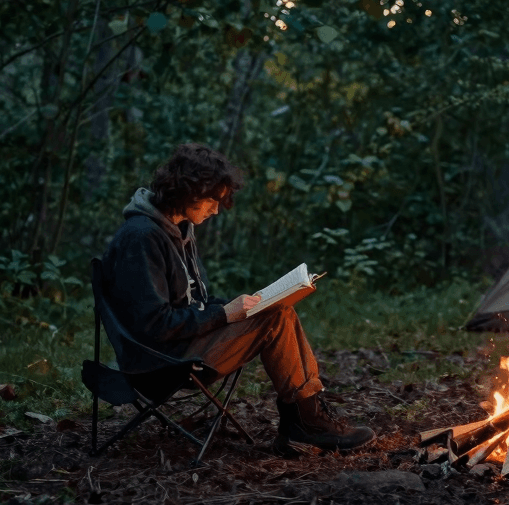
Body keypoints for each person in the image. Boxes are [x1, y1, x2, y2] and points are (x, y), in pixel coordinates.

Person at [100, 143, 375, 453]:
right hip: (159, 364)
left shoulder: (178, 228)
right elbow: (153, 325)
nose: (216, 210)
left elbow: (193, 301)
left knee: (276, 308)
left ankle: (305, 419)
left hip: (179, 346)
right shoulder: (142, 237)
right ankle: (305, 422)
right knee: (277, 317)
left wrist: (240, 306)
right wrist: (224, 315)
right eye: (211, 200)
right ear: (188, 191)